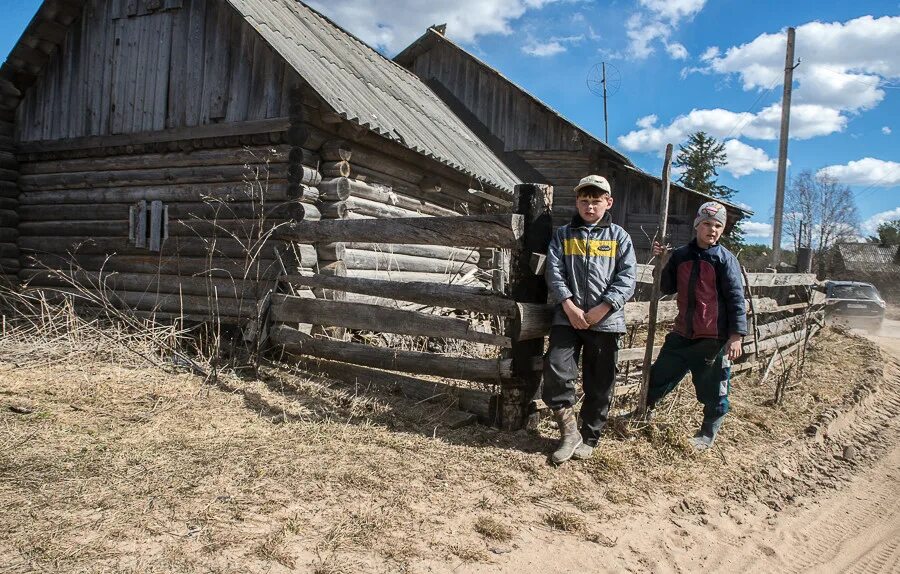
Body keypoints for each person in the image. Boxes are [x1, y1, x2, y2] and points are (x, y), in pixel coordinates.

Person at [544, 174, 637, 464]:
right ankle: (569, 432)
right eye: (584, 201)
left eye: (596, 201)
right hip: (567, 318)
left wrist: (603, 308)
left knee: (600, 380)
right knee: (557, 367)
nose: (590, 206)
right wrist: (569, 307)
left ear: (608, 203)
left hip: (605, 321)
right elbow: (554, 271)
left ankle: (591, 436)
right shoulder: (563, 234)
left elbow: (627, 278)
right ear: (577, 202)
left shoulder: (619, 237)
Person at [645, 201, 747, 451]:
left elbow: (735, 298)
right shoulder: (681, 255)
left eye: (717, 226)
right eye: (707, 224)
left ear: (722, 230)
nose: (712, 230)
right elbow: (667, 287)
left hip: (713, 338)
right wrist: (660, 262)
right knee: (659, 376)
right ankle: (642, 412)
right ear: (697, 226)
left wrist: (736, 336)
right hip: (683, 333)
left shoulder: (725, 260)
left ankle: (707, 432)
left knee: (713, 388)